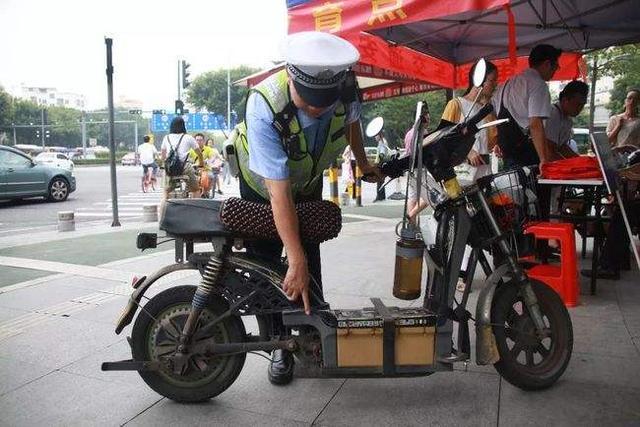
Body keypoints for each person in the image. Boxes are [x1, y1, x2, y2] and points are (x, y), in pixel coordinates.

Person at [235, 31, 382, 385]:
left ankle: (311, 331)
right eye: (308, 100)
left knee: (309, 254)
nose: (317, 109)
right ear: (290, 76)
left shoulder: (347, 91)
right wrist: (293, 256)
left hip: (308, 179)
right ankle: (279, 345)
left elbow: (351, 124)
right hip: (262, 188)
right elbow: (279, 192)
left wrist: (363, 163)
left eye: (324, 103)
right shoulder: (264, 104)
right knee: (268, 261)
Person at [492, 44, 562, 169]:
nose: (555, 71)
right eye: (556, 66)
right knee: (530, 182)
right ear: (547, 64)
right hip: (526, 154)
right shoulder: (538, 84)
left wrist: (498, 141)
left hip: (507, 152)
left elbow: (495, 116)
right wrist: (543, 159)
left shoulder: (507, 84)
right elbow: (535, 123)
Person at [442, 60, 499, 183]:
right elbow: (443, 137)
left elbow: (491, 140)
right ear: (479, 80)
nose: (495, 84)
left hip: (484, 171)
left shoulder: (486, 109)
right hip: (462, 172)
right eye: (492, 80)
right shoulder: (456, 105)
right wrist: (467, 151)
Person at [160, 117, 203, 200]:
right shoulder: (188, 138)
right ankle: (195, 205)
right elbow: (199, 153)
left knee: (166, 191)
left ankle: (163, 205)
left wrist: (163, 165)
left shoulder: (166, 137)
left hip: (170, 169)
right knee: (196, 190)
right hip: (185, 168)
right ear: (183, 126)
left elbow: (163, 155)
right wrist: (201, 164)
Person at [545, 80, 589, 160]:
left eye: (582, 105)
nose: (580, 108)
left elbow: (562, 147)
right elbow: (549, 150)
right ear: (565, 100)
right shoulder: (553, 114)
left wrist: (580, 161)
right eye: (578, 104)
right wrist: (571, 164)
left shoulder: (568, 120)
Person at [403, 106, 431, 223]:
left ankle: (412, 226)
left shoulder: (409, 133)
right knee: (432, 195)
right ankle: (411, 215)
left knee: (413, 197)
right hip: (419, 169)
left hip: (409, 168)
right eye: (427, 119)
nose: (428, 121)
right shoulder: (423, 133)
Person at [373, 132, 390, 201]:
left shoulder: (381, 143)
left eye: (376, 136)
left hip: (380, 162)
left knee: (379, 180)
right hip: (383, 162)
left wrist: (378, 163)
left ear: (379, 135)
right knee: (381, 180)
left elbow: (381, 154)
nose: (375, 137)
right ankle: (382, 196)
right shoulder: (384, 141)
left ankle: (379, 196)